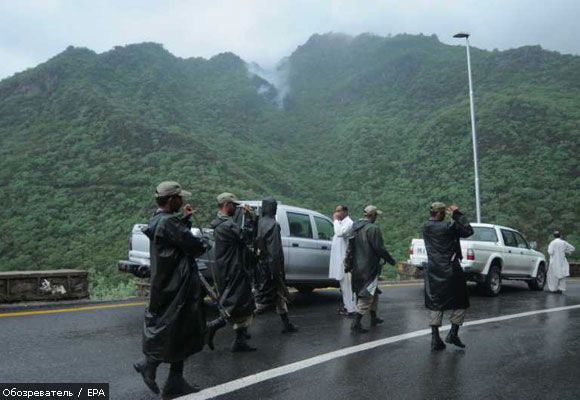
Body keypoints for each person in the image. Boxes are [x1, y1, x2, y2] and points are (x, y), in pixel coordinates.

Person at [134, 181, 208, 398]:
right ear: (171, 200)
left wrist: (184, 219)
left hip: (167, 283)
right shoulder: (168, 223)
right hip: (177, 286)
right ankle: (149, 364)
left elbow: (173, 237)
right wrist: (203, 241)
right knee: (175, 327)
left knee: (180, 330)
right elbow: (194, 246)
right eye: (180, 198)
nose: (183, 201)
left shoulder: (159, 219)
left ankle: (175, 380)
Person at [208, 192, 257, 352]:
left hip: (227, 268)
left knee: (244, 304)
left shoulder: (221, 224)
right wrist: (250, 217)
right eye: (234, 205)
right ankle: (212, 327)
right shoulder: (227, 225)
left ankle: (240, 340)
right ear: (227, 205)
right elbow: (247, 237)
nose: (235, 209)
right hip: (234, 269)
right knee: (235, 305)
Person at [423, 202, 473, 352]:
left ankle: (435, 338)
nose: (446, 214)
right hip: (450, 268)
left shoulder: (426, 226)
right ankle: (453, 333)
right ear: (439, 213)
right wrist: (457, 214)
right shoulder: (449, 226)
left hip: (433, 268)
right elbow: (468, 231)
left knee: (436, 301)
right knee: (461, 301)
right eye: (444, 212)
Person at [348, 205, 396, 333]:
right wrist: (391, 260)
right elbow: (379, 248)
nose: (376, 217)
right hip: (369, 266)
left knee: (373, 291)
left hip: (357, 266)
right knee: (367, 293)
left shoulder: (355, 227)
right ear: (372, 215)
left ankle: (374, 317)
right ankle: (356, 322)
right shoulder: (373, 229)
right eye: (376, 215)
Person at [254, 197, 299, 333]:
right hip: (270, 268)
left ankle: (286, 324)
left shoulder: (260, 222)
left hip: (261, 265)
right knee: (263, 302)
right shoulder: (273, 225)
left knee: (280, 296)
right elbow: (274, 252)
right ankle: (240, 328)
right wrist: (276, 273)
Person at [329, 205, 356, 315]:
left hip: (346, 259)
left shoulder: (349, 223)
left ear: (345, 211)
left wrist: (335, 220)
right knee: (343, 286)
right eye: (336, 211)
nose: (336, 213)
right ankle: (347, 307)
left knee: (348, 285)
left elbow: (340, 233)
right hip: (341, 258)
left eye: (339, 211)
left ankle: (351, 309)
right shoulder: (341, 223)